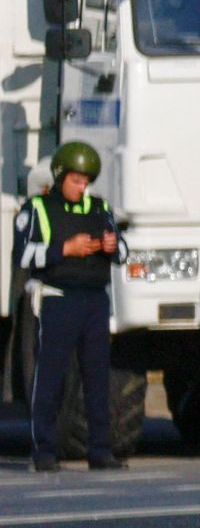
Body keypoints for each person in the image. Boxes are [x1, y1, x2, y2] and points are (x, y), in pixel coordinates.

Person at [13, 143, 126, 472]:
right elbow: (23, 255)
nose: (81, 187)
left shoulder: (100, 207)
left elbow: (122, 252)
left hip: (94, 300)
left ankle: (100, 450)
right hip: (58, 299)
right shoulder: (38, 208)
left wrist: (112, 246)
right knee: (51, 377)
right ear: (60, 177)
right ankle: (44, 451)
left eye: (86, 181)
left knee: (98, 377)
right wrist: (64, 249)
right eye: (76, 181)